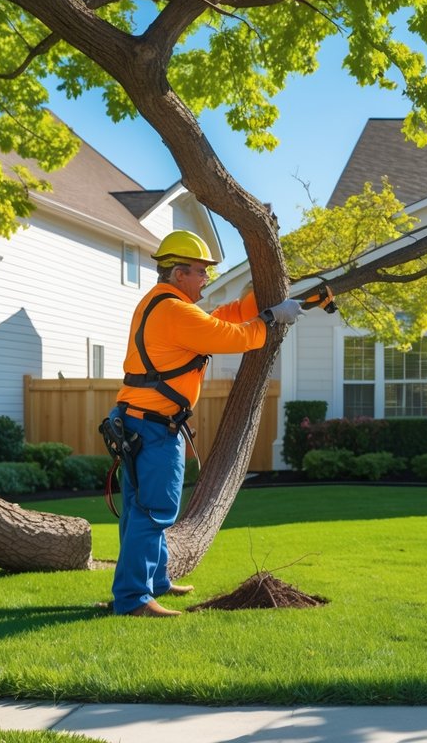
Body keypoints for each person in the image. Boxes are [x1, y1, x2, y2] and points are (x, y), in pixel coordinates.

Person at [108, 229, 304, 618]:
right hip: (153, 428)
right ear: (178, 273)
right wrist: (270, 319)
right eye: (201, 271)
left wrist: (255, 301)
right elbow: (228, 336)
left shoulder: (163, 303)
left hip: (138, 423)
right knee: (153, 512)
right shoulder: (173, 310)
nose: (206, 278)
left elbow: (216, 320)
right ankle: (133, 600)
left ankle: (155, 582)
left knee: (141, 510)